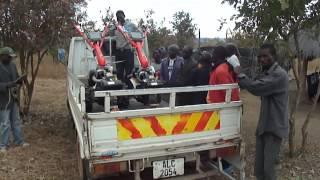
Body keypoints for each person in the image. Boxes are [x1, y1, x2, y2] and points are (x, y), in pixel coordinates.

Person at [237, 43, 289, 180]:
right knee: (259, 170)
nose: (262, 59)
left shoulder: (279, 75)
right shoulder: (267, 73)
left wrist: (240, 75)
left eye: (266, 56)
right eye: (260, 57)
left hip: (274, 129)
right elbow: (255, 81)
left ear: (274, 57)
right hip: (264, 128)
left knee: (269, 171)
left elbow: (256, 87)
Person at [0, 47, 29, 153]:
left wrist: (20, 81)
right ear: (2, 56)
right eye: (9, 57)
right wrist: (8, 85)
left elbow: (16, 78)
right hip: (3, 101)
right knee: (5, 124)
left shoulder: (12, 66)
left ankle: (19, 141)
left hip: (13, 99)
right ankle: (3, 145)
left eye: (11, 57)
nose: (10, 59)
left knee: (16, 121)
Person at [114, 10, 135, 86]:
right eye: (118, 16)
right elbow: (106, 32)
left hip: (128, 51)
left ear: (124, 16)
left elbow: (138, 34)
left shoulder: (131, 25)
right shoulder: (115, 26)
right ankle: (120, 90)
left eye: (120, 15)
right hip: (119, 52)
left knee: (129, 73)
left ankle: (130, 90)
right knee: (119, 73)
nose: (119, 17)